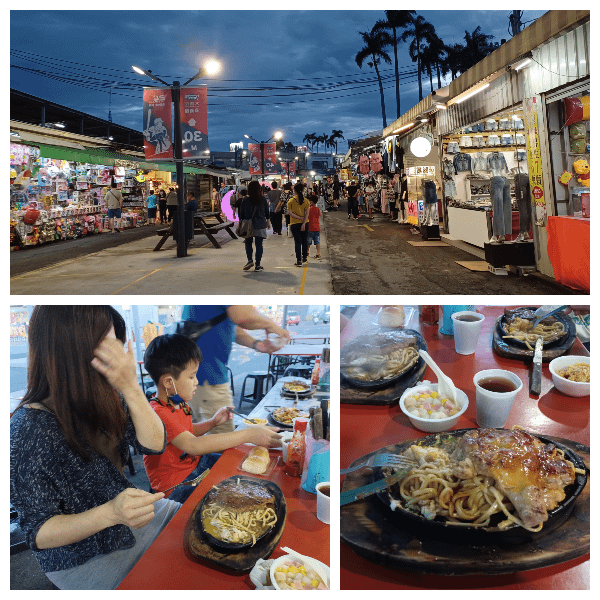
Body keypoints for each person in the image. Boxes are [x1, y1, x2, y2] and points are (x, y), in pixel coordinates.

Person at [10, 306, 178, 590]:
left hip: (128, 516)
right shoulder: (29, 428)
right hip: (80, 556)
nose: (120, 356)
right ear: (74, 350)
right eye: (109, 346)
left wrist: (131, 388)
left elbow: (154, 444)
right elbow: (38, 533)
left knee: (201, 524)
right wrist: (111, 513)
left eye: (119, 345)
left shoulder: (104, 395)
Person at [142, 334, 282, 504]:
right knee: (231, 495)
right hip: (177, 485)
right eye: (192, 376)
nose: (196, 382)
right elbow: (193, 445)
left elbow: (184, 432)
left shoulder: (178, 401)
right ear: (169, 382)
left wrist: (213, 422)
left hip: (196, 467)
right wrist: (249, 434)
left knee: (237, 463)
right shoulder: (158, 413)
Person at [181, 305, 291, 430]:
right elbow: (241, 315)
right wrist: (271, 325)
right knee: (222, 437)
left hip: (190, 374)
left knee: (192, 434)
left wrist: (256, 344)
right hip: (208, 376)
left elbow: (230, 324)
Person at [238, 180, 271, 272]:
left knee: (248, 242)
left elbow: (241, 213)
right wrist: (268, 222)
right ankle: (258, 265)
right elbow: (266, 212)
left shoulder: (245, 199)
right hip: (260, 224)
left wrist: (243, 222)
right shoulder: (262, 199)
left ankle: (250, 260)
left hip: (248, 225)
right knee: (259, 244)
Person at [287, 183, 310, 266]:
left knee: (297, 242)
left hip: (294, 224)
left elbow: (289, 212)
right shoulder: (306, 201)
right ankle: (304, 258)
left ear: (294, 191)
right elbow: (307, 214)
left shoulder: (291, 200)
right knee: (304, 241)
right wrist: (303, 222)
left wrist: (298, 218)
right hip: (305, 224)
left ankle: (299, 261)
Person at [307, 195, 322, 259]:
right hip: (317, 228)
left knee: (308, 242)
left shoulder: (309, 209)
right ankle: (318, 253)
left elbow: (307, 217)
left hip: (310, 228)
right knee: (317, 241)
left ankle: (307, 252)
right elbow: (319, 216)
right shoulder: (318, 209)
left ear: (311, 202)